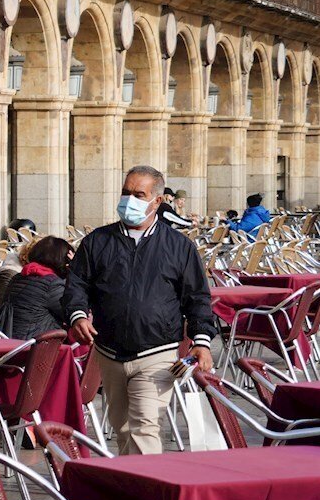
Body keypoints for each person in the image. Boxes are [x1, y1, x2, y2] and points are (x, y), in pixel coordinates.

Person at [63, 165, 217, 454]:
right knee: (123, 430)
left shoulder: (179, 246)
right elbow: (76, 284)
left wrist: (202, 342)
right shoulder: (98, 241)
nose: (129, 200)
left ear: (157, 201)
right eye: (125, 193)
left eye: (138, 194)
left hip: (157, 352)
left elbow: (197, 298)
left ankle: (147, 482)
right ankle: (130, 480)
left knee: (145, 427)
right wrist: (78, 314)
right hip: (109, 352)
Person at [0, 235, 73, 339]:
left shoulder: (18, 277)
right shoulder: (52, 285)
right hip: (36, 345)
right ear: (63, 260)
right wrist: (75, 275)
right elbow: (73, 312)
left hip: (11, 340)